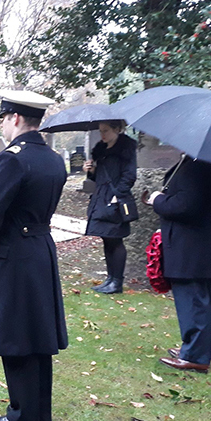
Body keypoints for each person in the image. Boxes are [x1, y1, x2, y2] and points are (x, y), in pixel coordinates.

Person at [0, 89, 68, 421]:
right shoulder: (53, 159)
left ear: (15, 118)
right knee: (38, 335)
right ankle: (39, 413)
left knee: (16, 335)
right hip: (41, 248)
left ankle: (23, 417)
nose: (2, 126)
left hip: (14, 253)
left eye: (4, 119)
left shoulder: (12, 159)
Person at [145, 155, 211, 374]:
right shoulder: (204, 163)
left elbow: (186, 205)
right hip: (196, 245)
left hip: (191, 246)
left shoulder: (199, 166)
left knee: (194, 300)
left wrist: (158, 200)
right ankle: (195, 349)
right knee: (197, 299)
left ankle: (195, 356)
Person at [83, 121, 138, 294]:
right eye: (101, 131)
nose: (102, 135)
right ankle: (110, 279)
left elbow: (129, 176)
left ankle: (117, 281)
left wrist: (117, 196)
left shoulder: (125, 149)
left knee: (115, 239)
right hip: (101, 197)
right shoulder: (100, 150)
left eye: (106, 131)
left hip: (115, 199)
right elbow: (98, 178)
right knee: (106, 237)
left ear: (117, 129)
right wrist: (91, 171)